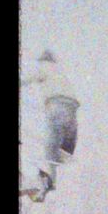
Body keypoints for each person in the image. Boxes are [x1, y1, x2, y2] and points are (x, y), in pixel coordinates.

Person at [21, 50, 78, 198]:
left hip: (56, 107)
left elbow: (28, 79)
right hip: (72, 110)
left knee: (50, 149)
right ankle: (56, 182)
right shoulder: (61, 73)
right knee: (65, 152)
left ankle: (46, 183)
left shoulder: (44, 67)